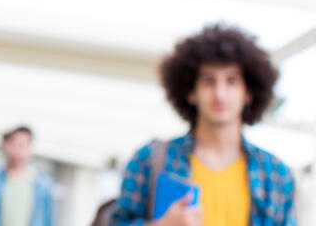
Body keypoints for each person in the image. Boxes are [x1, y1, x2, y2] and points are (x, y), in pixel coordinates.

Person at [111, 24, 295, 226]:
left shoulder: (276, 174)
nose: (220, 94)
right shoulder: (150, 160)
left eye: (231, 81)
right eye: (209, 81)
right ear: (191, 92)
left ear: (248, 93)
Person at [0, 126, 53, 226]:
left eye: (23, 145)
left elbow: (48, 220)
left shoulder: (43, 184)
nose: (18, 150)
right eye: (14, 144)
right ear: (5, 146)